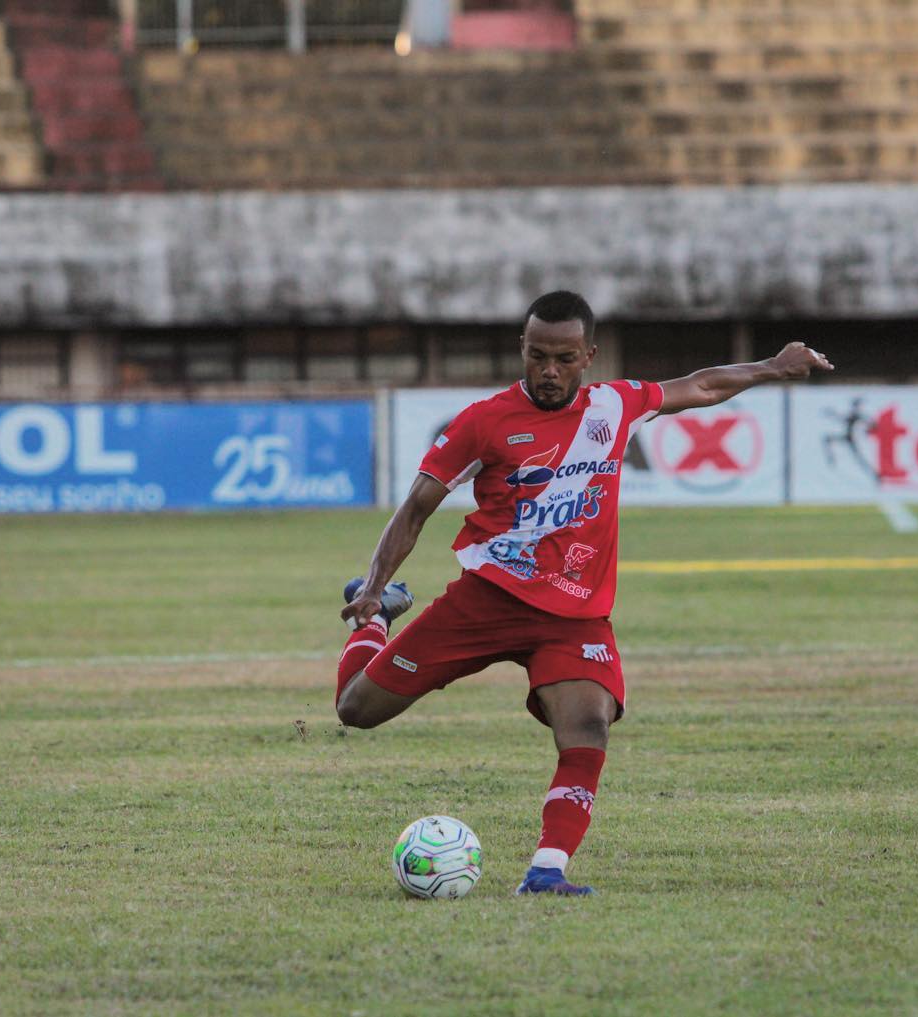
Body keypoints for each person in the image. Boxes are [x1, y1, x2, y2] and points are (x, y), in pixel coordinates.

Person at [334, 290, 833, 895]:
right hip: (486, 600)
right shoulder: (483, 421)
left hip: (574, 615)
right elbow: (415, 509)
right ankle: (375, 623)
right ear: (522, 348)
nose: (549, 371)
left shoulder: (615, 407)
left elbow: (698, 386)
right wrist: (375, 588)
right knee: (356, 711)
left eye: (565, 358)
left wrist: (771, 368)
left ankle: (547, 871)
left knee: (588, 727)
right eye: (538, 356)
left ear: (588, 355)